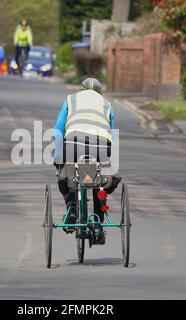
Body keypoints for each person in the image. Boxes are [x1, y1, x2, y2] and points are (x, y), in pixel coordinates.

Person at [53, 78, 121, 245]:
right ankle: (97, 225)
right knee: (99, 180)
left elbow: (58, 130)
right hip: (101, 146)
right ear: (99, 93)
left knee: (67, 174)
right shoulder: (106, 104)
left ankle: (72, 208)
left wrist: (58, 158)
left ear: (81, 90)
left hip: (73, 144)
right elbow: (112, 134)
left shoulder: (71, 99)